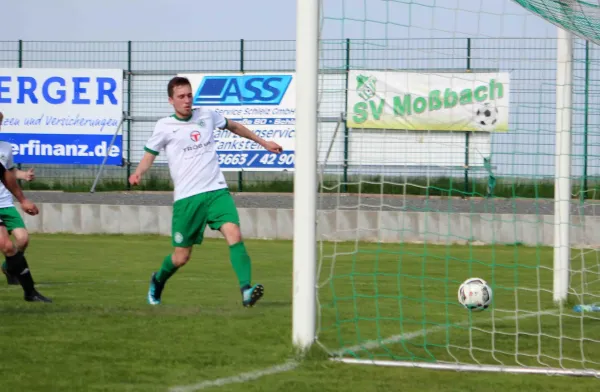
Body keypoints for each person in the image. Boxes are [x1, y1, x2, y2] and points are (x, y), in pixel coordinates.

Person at [129, 76, 283, 307]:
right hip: (188, 199)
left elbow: (234, 126)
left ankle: (246, 291)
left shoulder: (207, 115)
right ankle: (158, 280)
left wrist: (263, 142)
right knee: (181, 257)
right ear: (171, 100)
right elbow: (150, 155)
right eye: (181, 97)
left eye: (189, 95)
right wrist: (139, 172)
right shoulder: (164, 127)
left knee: (235, 234)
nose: (187, 100)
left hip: (216, 191)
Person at [0, 114, 50, 303]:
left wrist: (22, 199)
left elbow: (6, 174)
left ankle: (29, 291)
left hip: (4, 203)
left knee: (17, 242)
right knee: (6, 245)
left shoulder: (5, 148)